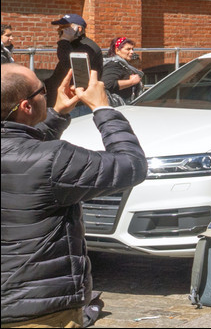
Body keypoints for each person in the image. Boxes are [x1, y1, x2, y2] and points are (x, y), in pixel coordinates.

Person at [2, 64, 148, 327]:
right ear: (26, 106)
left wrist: (56, 113)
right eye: (42, 90)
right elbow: (131, 166)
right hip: (40, 313)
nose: (47, 94)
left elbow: (20, 149)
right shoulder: (54, 158)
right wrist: (103, 109)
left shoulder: (40, 157)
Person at [46, 14, 103, 110]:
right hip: (62, 101)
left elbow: (68, 65)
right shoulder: (72, 45)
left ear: (79, 29)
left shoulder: (87, 48)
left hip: (77, 105)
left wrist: (64, 40)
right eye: (60, 27)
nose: (60, 30)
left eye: (65, 27)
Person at [101, 37, 143, 106]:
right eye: (128, 49)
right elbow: (107, 84)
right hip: (117, 107)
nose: (132, 52)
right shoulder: (114, 65)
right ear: (117, 50)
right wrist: (131, 82)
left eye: (132, 49)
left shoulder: (123, 64)